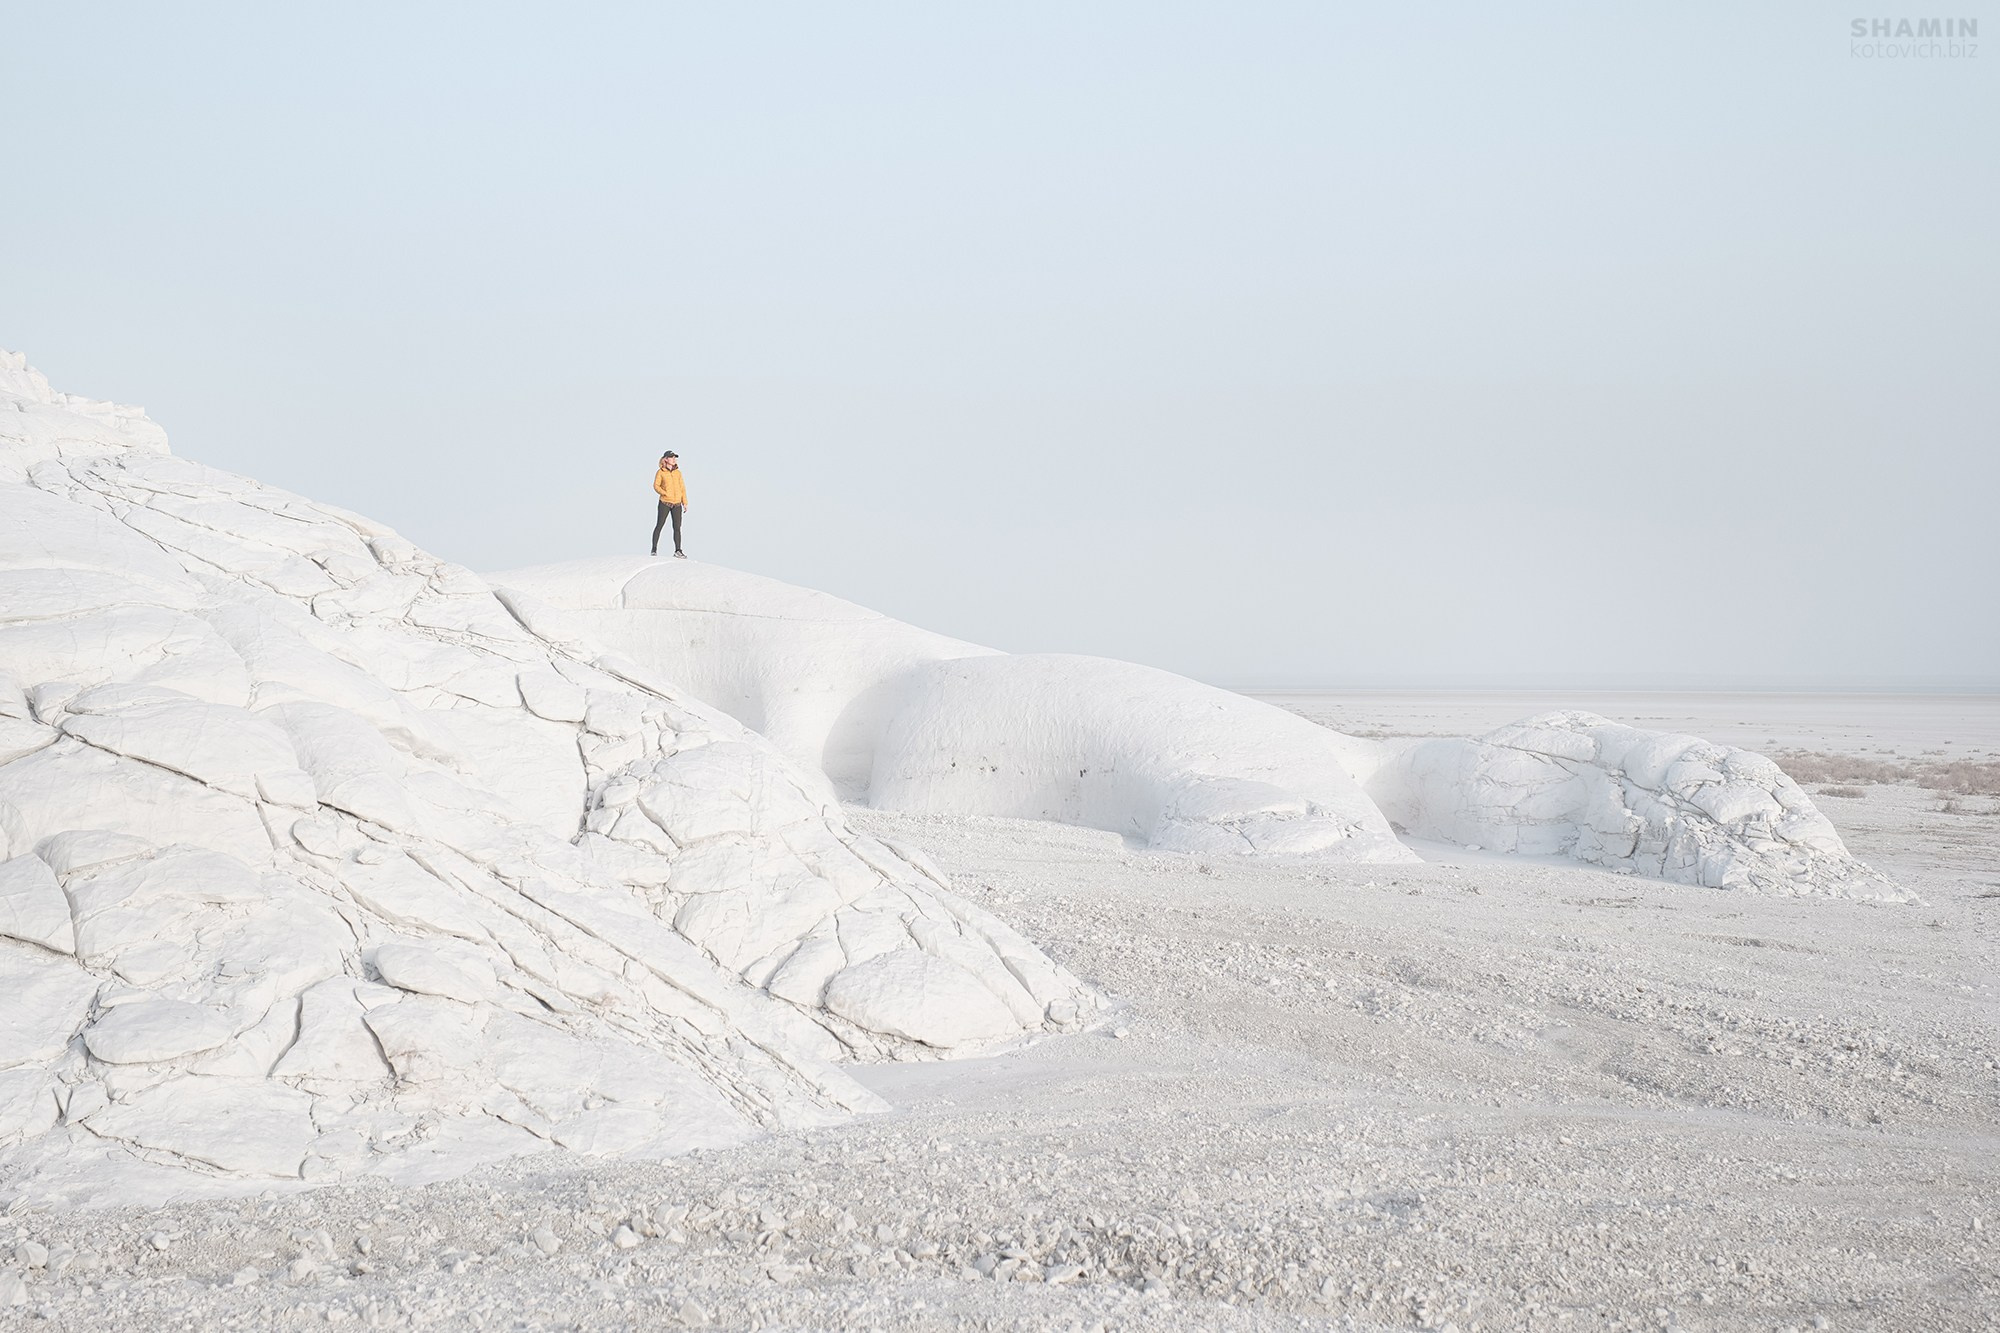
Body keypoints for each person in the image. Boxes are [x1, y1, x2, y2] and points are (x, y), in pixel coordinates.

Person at [651, 451, 688, 558]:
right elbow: (656, 486)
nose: (674, 459)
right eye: (672, 457)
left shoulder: (678, 473)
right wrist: (664, 493)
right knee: (659, 525)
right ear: (666, 459)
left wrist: (685, 502)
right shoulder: (661, 472)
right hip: (665, 502)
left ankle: (678, 550)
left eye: (675, 458)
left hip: (677, 503)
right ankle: (654, 549)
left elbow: (682, 488)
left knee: (677, 527)